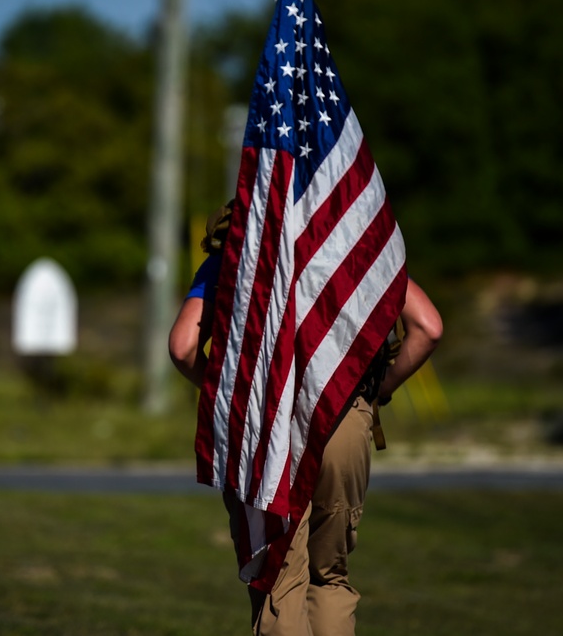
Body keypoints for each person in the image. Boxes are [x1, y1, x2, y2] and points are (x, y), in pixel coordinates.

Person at [169, 202, 442, 636]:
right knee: (329, 575)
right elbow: (428, 327)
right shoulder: (358, 249)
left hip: (264, 426)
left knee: (279, 576)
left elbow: (183, 346)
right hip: (343, 413)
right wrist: (378, 392)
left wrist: (226, 395)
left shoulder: (233, 259)